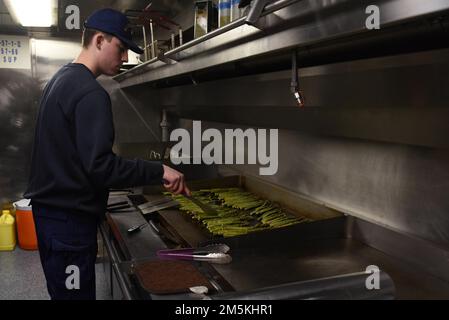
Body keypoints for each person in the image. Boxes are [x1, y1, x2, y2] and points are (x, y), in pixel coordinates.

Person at [24, 8, 190, 300]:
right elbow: (101, 167)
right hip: (69, 224)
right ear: (99, 40)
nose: (125, 58)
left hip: (53, 218)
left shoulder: (61, 79)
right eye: (121, 47)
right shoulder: (90, 93)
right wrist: (159, 170)